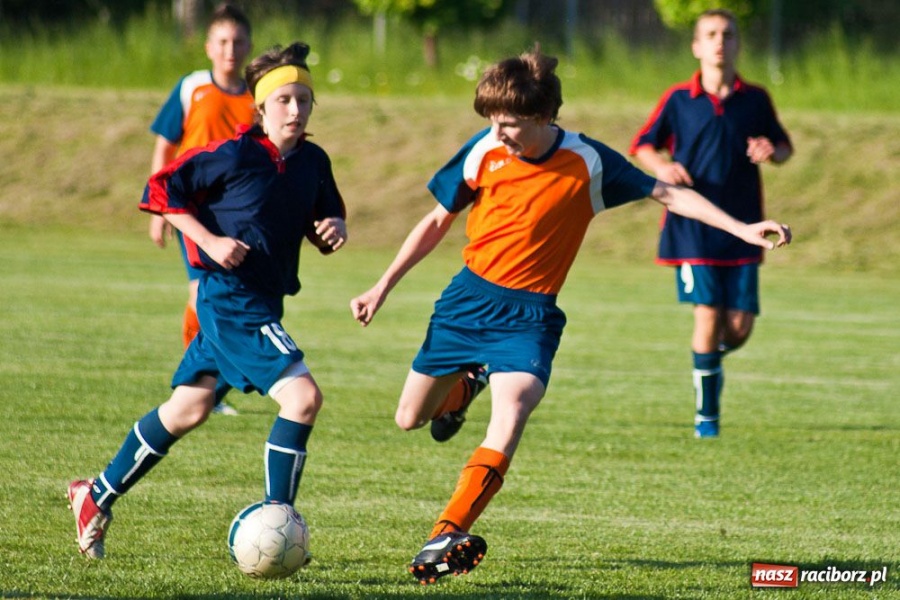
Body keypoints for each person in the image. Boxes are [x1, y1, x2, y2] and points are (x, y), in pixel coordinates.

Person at [349, 46, 791, 584]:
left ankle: (445, 532)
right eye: (491, 120)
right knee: (409, 418)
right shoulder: (483, 151)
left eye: (508, 122)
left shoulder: (588, 162)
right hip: (466, 301)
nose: (497, 131)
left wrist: (743, 228)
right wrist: (382, 286)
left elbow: (669, 194)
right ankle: (466, 386)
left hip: (530, 314)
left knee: (512, 412)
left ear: (542, 117)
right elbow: (436, 221)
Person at [68, 41, 347, 560]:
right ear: (260, 107)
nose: (295, 109)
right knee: (303, 398)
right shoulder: (234, 153)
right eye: (283, 100)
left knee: (189, 408)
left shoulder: (313, 161)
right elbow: (160, 190)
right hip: (230, 300)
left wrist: (333, 228)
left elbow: (324, 216)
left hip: (262, 299)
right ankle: (279, 519)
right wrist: (210, 241)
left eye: (303, 100)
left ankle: (95, 495)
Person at [629, 8, 793, 438]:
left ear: (738, 43)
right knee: (707, 316)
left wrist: (769, 151)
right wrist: (662, 166)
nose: (721, 41)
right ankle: (707, 420)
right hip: (693, 229)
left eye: (729, 34)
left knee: (738, 328)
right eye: (712, 34)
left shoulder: (754, 99)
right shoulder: (680, 99)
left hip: (745, 224)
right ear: (697, 46)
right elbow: (642, 146)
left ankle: (706, 360)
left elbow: (784, 147)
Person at [149, 3, 256, 416]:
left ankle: (212, 392)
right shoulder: (192, 86)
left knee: (241, 302)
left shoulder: (256, 96)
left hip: (238, 214)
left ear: (248, 46)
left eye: (239, 41)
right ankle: (196, 386)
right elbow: (164, 146)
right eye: (224, 41)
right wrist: (160, 209)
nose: (231, 49)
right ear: (209, 46)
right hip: (192, 212)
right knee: (201, 299)